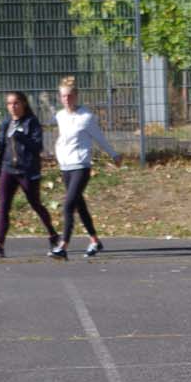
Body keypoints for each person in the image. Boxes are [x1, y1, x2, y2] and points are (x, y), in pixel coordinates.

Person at [0, 90, 58, 259]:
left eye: (16, 103)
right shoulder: (7, 123)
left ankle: (53, 235)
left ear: (23, 104)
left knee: (35, 204)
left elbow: (37, 147)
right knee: (3, 206)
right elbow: (2, 146)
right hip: (8, 169)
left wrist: (20, 137)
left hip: (27, 171)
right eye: (9, 104)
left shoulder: (31, 122)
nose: (12, 107)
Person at [50, 76, 123, 260]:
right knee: (79, 205)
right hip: (65, 166)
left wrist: (114, 154)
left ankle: (63, 246)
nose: (66, 99)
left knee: (68, 204)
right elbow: (63, 138)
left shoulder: (86, 117)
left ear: (76, 96)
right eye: (63, 96)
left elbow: (99, 138)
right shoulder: (60, 116)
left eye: (70, 96)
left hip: (81, 166)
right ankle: (95, 241)